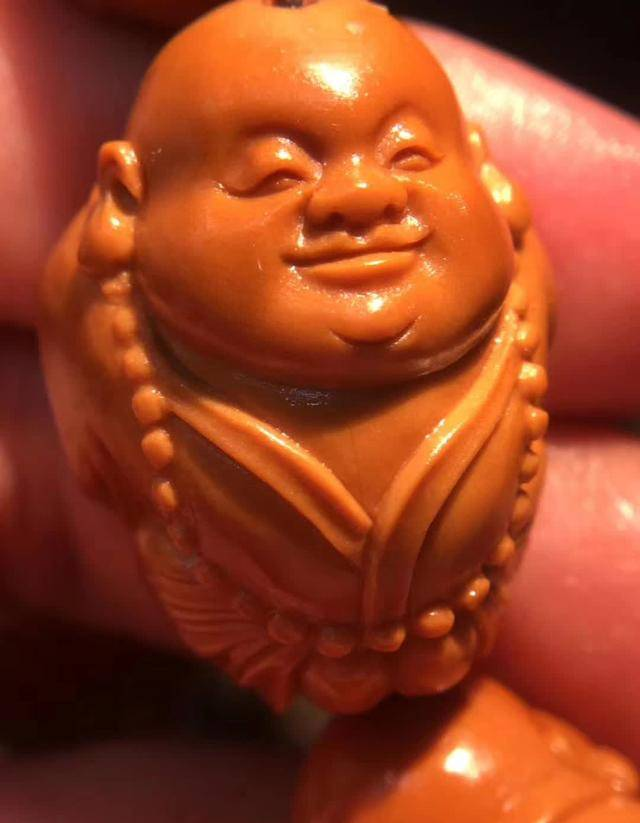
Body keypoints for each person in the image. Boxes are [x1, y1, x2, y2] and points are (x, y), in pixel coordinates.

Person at [0, 1, 638, 819]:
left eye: (407, 153)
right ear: (129, 201)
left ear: (482, 169)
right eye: (276, 174)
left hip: (469, 612)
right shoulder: (107, 328)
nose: (362, 195)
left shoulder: (515, 304)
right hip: (240, 623)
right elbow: (102, 466)